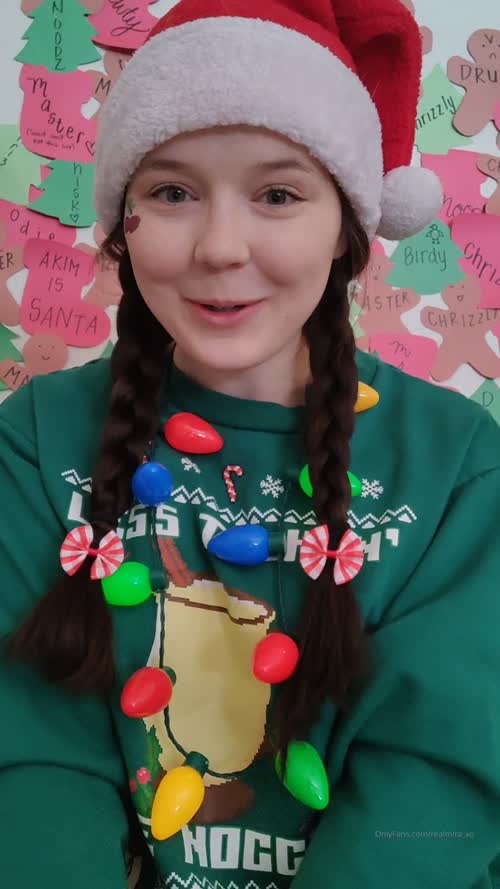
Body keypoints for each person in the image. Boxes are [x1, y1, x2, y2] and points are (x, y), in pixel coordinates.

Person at [1, 0, 500, 887]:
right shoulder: (36, 440)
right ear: (123, 221)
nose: (221, 247)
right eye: (172, 192)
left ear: (346, 228)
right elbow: (30, 758)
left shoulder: (459, 464)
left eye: (277, 194)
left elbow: (438, 779)